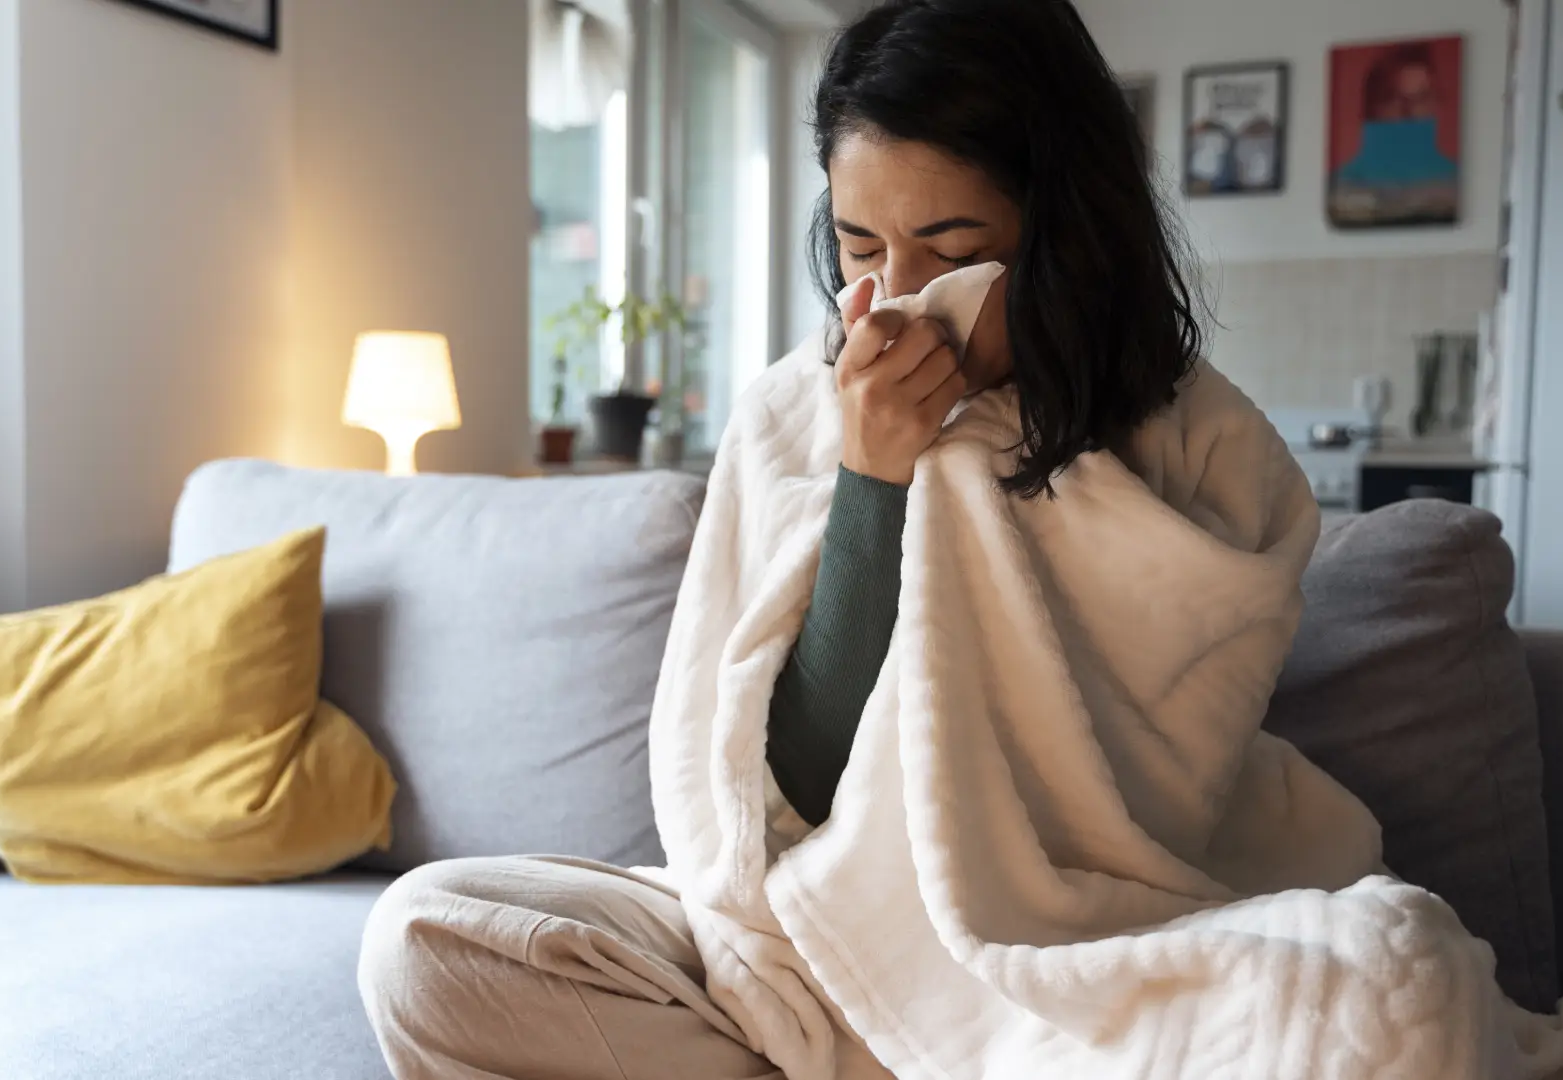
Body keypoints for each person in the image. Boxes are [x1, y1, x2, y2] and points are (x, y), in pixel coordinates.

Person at [357, 2, 1213, 1077]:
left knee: (1365, 992)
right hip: (788, 928)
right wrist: (873, 478)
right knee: (428, 935)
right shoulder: (789, 418)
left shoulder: (1181, 444)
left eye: (952, 251)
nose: (894, 300)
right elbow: (782, 797)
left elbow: (1147, 810)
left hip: (1044, 959)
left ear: (1064, 239)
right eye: (861, 246)